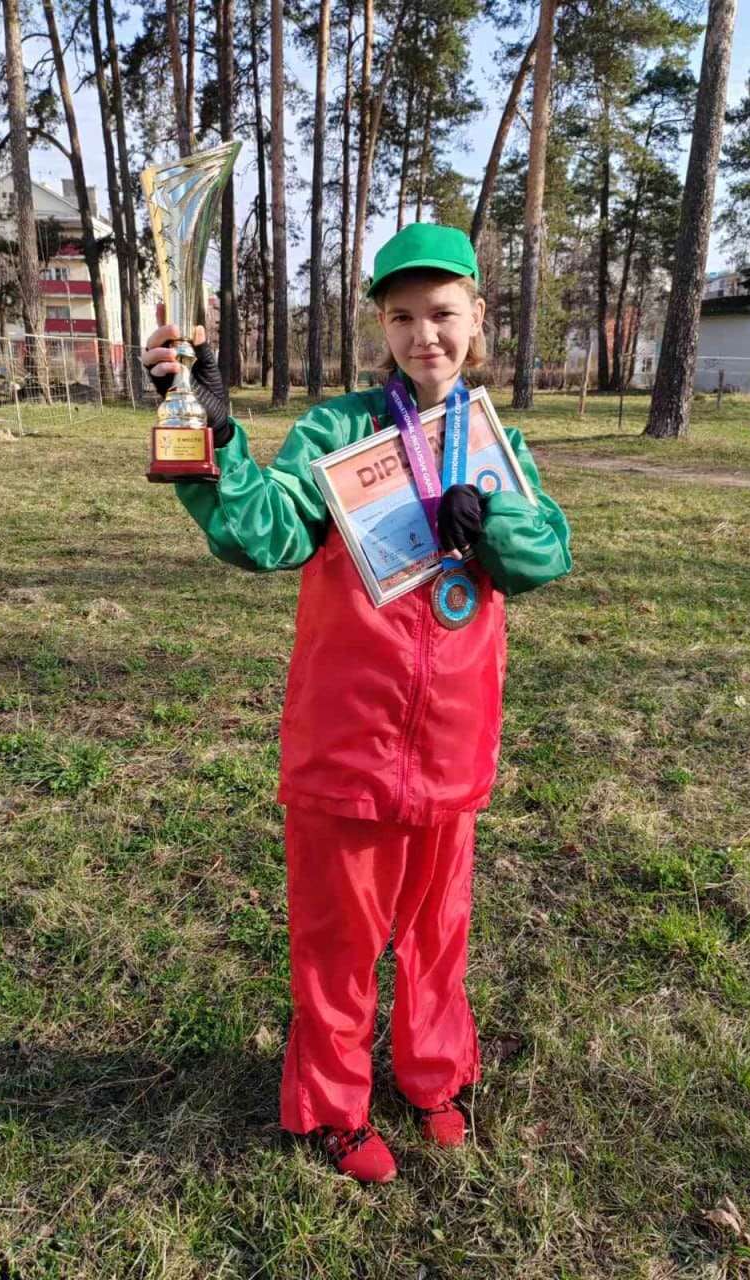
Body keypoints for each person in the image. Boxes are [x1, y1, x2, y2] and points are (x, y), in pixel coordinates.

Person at [142, 223, 572, 1184]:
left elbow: (545, 553)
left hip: (452, 745)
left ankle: (433, 1077)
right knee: (338, 943)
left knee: (437, 935)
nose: (426, 335)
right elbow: (264, 531)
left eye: (444, 314)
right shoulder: (339, 432)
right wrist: (216, 436)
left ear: (477, 318)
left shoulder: (496, 438)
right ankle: (333, 1108)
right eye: (403, 317)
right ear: (382, 326)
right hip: (348, 743)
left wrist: (493, 520)